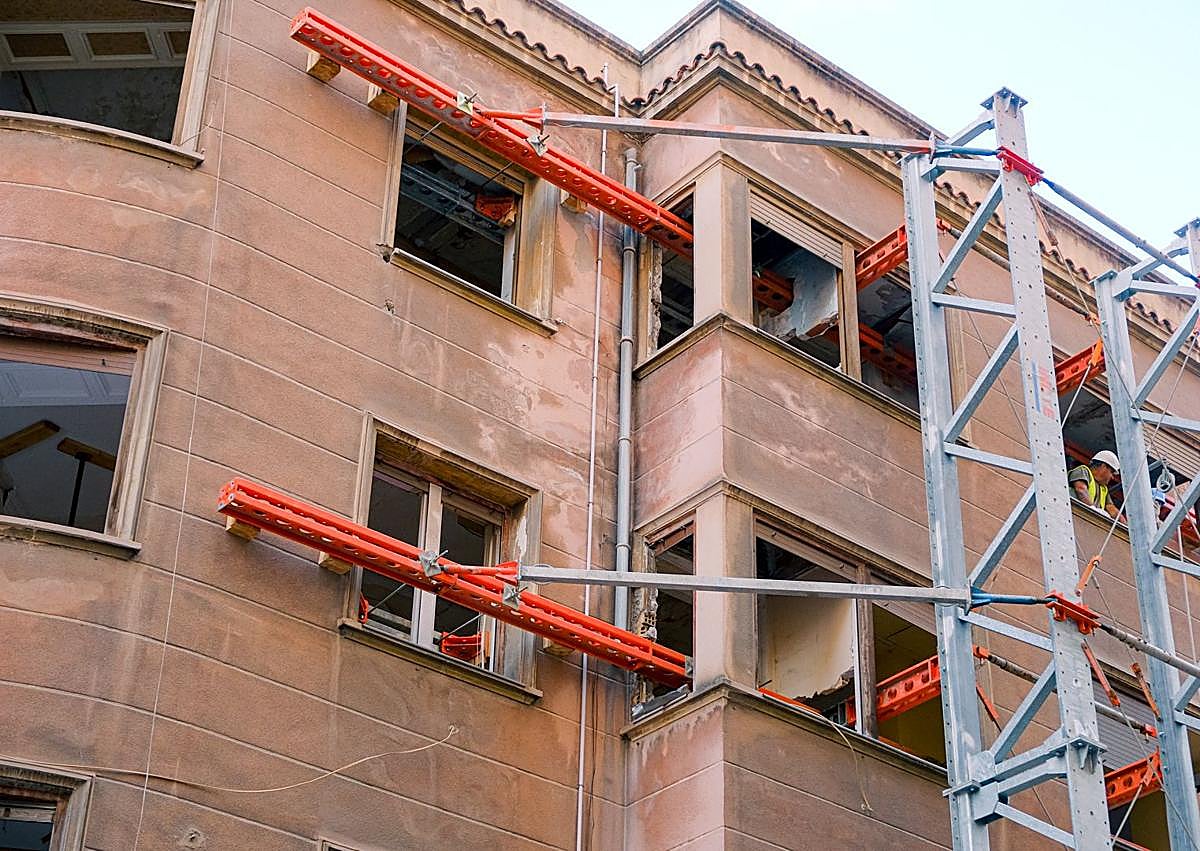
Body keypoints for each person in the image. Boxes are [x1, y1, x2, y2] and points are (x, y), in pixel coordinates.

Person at [1068, 450, 1120, 520]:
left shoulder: (1104, 489)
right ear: (1103, 466)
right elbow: (1080, 489)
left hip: (1088, 520)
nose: (1112, 477)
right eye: (1111, 472)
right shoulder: (1083, 471)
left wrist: (1127, 527)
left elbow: (1112, 510)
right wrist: (1093, 510)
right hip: (1074, 515)